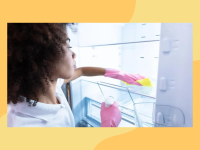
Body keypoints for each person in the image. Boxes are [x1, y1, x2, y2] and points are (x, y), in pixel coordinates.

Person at [7, 23, 143, 127]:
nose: (74, 54)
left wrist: (116, 73)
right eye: (68, 47)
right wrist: (108, 127)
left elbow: (82, 71)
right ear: (45, 57)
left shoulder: (50, 86)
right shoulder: (25, 126)